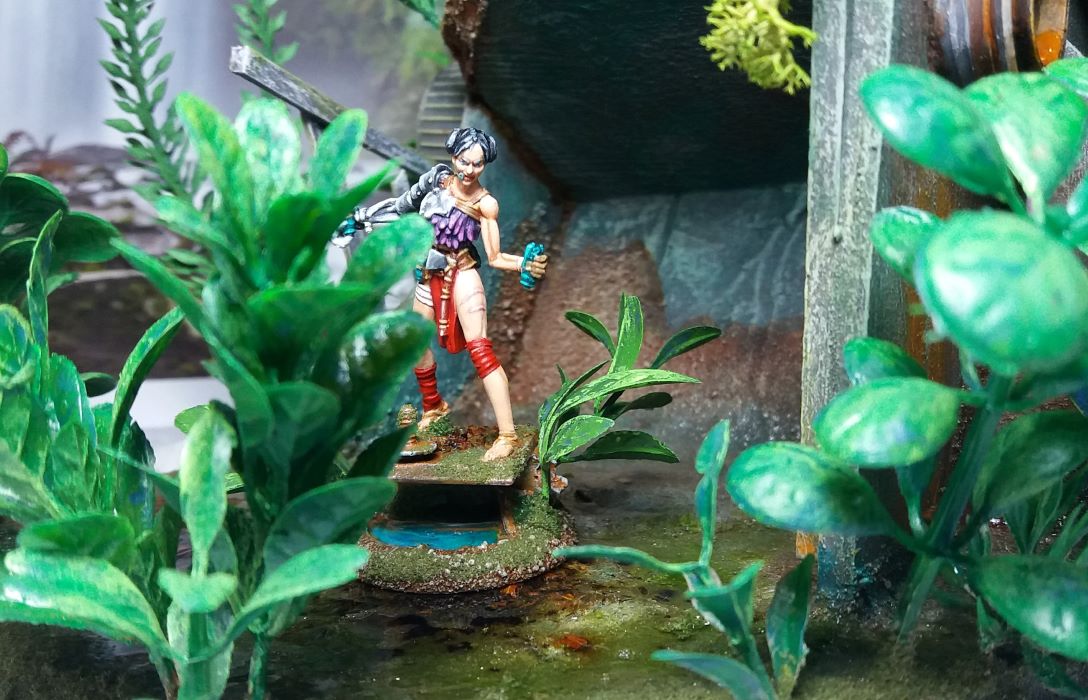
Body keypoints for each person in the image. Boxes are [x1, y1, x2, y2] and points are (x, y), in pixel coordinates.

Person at [339, 127, 548, 461]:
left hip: (462, 274)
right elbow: (401, 208)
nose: (469, 170)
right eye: (464, 161)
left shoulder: (485, 204)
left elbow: (495, 257)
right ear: (453, 156)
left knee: (481, 352)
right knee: (414, 341)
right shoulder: (435, 181)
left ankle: (507, 434)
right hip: (428, 273)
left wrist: (524, 263)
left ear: (485, 165)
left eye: (477, 164)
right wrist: (361, 218)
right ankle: (434, 405)